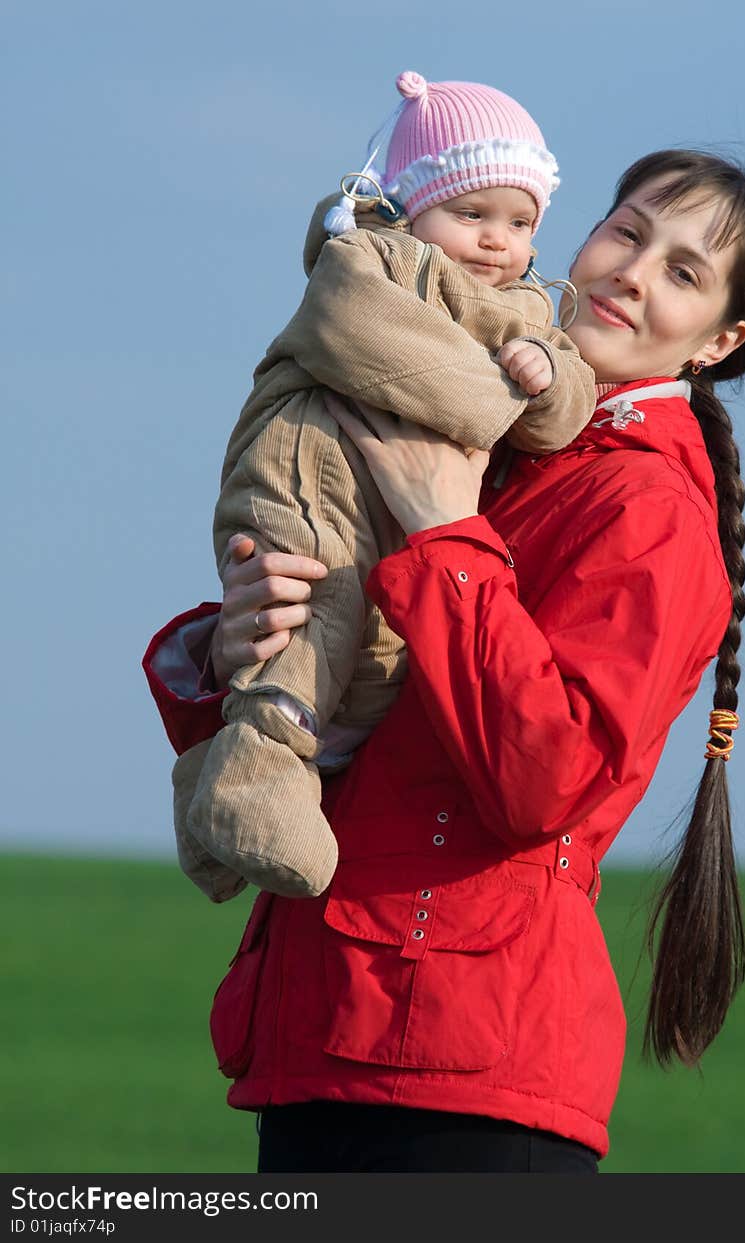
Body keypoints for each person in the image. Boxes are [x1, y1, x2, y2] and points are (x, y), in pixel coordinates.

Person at [143, 148, 745, 1172]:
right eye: (626, 232)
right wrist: (231, 644)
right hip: (335, 1033)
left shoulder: (650, 511)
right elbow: (364, 705)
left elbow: (545, 778)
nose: (632, 271)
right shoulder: (494, 435)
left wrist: (443, 527)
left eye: (682, 271)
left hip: (456, 1068)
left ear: (720, 341)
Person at [176, 70, 596, 905]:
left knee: (377, 661)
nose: (494, 241)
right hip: (309, 470)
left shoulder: (526, 309)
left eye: (519, 223)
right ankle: (254, 773)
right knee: (312, 611)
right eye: (470, 214)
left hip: (390, 509)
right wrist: (498, 397)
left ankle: (218, 809)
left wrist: (546, 373)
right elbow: (365, 336)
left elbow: (563, 411)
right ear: (412, 206)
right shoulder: (364, 257)